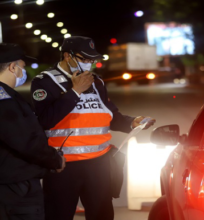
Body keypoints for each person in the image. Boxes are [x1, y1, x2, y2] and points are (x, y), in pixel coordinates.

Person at [30, 36, 156, 220]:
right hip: (62, 166)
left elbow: (111, 116)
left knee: (102, 215)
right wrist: (75, 92)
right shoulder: (44, 82)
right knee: (58, 215)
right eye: (84, 59)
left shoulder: (97, 82)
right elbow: (44, 121)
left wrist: (132, 122)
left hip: (99, 164)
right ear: (67, 56)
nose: (89, 64)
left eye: (92, 60)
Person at [0, 43, 66, 220]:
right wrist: (55, 160)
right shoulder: (2, 100)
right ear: (12, 67)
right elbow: (25, 141)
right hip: (15, 185)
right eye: (22, 67)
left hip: (7, 181)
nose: (23, 72)